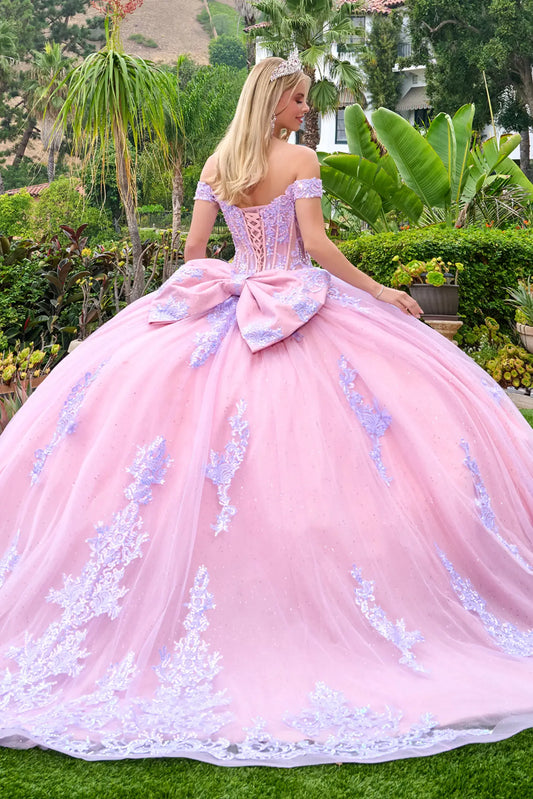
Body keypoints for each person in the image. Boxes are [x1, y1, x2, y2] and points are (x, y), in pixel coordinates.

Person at [0, 54, 532, 768]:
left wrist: (220, 284)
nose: (305, 111)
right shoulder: (300, 158)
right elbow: (313, 247)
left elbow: (193, 253)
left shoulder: (220, 162)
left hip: (230, 299)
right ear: (275, 101)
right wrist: (379, 292)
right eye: (298, 100)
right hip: (295, 303)